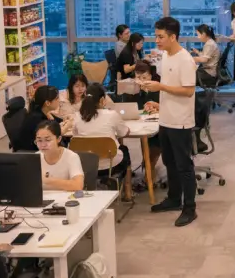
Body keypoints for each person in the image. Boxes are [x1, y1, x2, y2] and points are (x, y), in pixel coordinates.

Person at [139, 17, 197, 228]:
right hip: (165, 119)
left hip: (180, 121)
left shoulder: (185, 60)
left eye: (161, 37)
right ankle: (173, 198)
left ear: (173, 37)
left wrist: (161, 88)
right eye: (156, 36)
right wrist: (159, 103)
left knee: (184, 166)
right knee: (169, 162)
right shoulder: (165, 56)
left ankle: (189, 208)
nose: (157, 40)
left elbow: (188, 91)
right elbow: (171, 87)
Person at [72, 83, 131, 196]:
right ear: (102, 100)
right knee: (124, 149)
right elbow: (124, 133)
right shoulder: (111, 115)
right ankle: (128, 193)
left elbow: (75, 136)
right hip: (110, 165)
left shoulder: (77, 116)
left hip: (86, 165)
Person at [35, 120, 84, 192]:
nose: (43, 145)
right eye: (39, 140)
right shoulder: (35, 158)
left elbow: (78, 185)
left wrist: (47, 180)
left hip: (65, 197)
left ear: (58, 139)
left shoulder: (71, 157)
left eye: (48, 140)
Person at [134, 60, 162, 181]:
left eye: (144, 77)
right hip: (143, 122)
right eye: (138, 77)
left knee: (153, 139)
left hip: (160, 123)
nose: (141, 81)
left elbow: (167, 106)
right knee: (144, 136)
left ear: (151, 76)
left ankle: (149, 167)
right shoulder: (135, 89)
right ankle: (148, 166)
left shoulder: (157, 87)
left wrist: (156, 107)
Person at [17, 85, 64, 152]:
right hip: (35, 153)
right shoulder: (36, 118)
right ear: (47, 103)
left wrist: (63, 120)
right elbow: (55, 134)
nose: (59, 100)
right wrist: (67, 126)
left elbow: (59, 121)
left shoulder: (42, 110)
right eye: (57, 98)